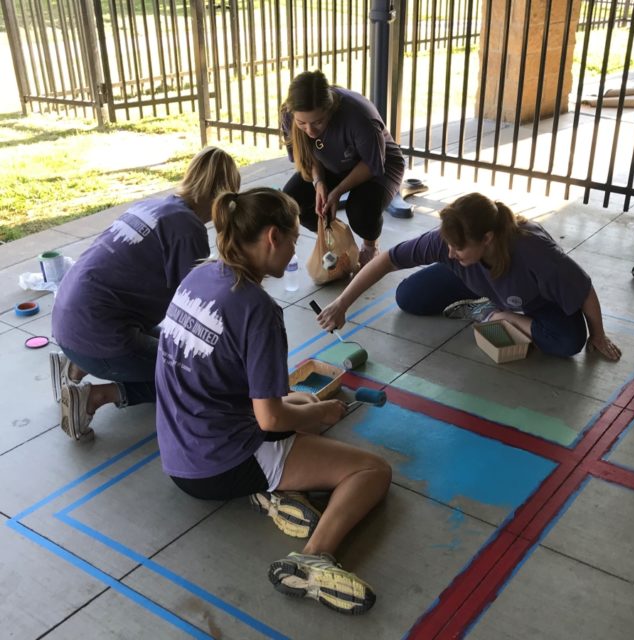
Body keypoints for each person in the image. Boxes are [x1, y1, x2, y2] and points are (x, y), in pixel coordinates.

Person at [154, 187, 391, 615]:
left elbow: (251, 390)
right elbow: (269, 420)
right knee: (371, 470)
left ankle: (272, 487)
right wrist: (321, 413)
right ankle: (313, 558)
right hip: (217, 462)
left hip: (178, 451)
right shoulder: (257, 309)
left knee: (298, 397)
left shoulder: (199, 276)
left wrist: (305, 407)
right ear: (272, 237)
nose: (296, 249)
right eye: (294, 238)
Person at [50, 147, 241, 441]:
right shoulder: (187, 229)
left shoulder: (151, 207)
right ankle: (96, 396)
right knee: (195, 373)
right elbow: (196, 313)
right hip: (98, 335)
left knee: (168, 345)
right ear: (222, 196)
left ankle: (75, 365)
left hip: (69, 324)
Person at [317, 192, 622, 361]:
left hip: (537, 301)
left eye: (458, 247)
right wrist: (342, 304)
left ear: (487, 238)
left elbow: (583, 289)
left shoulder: (534, 251)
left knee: (569, 342)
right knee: (408, 297)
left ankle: (500, 313)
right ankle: (487, 301)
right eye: (448, 245)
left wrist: (598, 335)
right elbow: (387, 260)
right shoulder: (450, 245)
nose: (449, 252)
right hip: (477, 276)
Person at [280, 69, 405, 267]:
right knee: (292, 202)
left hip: (378, 164)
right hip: (331, 162)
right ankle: (335, 240)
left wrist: (337, 192)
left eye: (318, 122)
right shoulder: (287, 114)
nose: (310, 131)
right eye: (301, 123)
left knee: (361, 212)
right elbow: (308, 155)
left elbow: (371, 165)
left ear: (329, 109)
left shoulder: (359, 116)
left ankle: (370, 246)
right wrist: (319, 182)